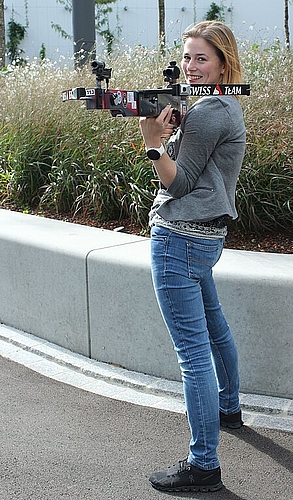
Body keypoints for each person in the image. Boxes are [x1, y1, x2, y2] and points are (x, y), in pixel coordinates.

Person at [139, 20, 246, 493]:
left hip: (179, 239)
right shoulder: (222, 105)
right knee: (215, 325)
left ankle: (203, 464)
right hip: (205, 239)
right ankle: (229, 407)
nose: (190, 66)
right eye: (186, 57)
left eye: (201, 58)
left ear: (224, 62)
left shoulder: (207, 112)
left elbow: (177, 182)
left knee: (192, 356)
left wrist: (152, 144)